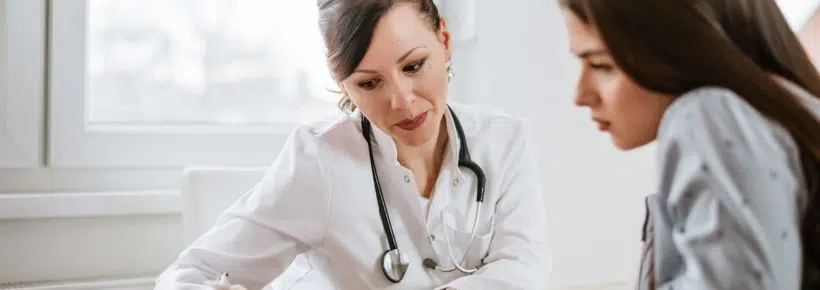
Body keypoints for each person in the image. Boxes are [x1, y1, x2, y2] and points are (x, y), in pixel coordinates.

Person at [155, 0, 551, 289]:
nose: (402, 101)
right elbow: (187, 276)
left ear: (444, 41)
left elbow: (522, 270)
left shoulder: (505, 141)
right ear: (343, 84)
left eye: (413, 66)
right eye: (369, 83)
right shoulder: (319, 160)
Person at [558, 0, 820, 288]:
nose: (580, 95)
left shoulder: (708, 114)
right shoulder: (789, 113)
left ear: (678, 46)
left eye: (600, 65)